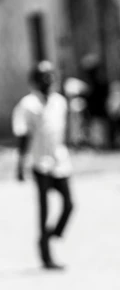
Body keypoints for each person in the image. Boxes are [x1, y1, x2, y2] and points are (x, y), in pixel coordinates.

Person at [12, 61, 74, 269]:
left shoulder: (59, 102)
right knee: (44, 210)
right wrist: (20, 164)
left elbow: (61, 130)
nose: (48, 81)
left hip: (59, 160)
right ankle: (46, 255)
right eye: (43, 78)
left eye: (50, 76)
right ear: (35, 82)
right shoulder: (28, 105)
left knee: (69, 203)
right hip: (40, 163)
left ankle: (52, 233)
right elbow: (24, 137)